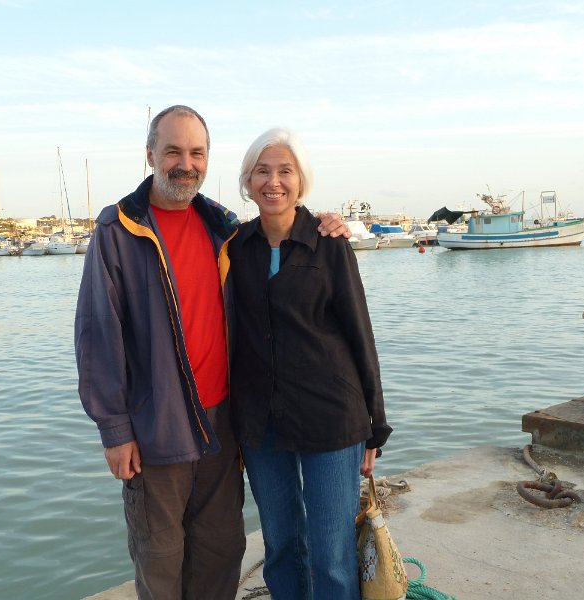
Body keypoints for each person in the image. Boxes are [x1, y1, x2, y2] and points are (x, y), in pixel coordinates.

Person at [74, 106, 349, 600]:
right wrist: (115, 431)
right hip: (157, 429)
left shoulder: (224, 229)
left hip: (223, 428)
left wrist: (327, 222)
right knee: (161, 562)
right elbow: (98, 336)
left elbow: (282, 238)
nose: (186, 164)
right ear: (150, 154)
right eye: (173, 151)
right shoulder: (118, 232)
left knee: (220, 555)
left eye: (196, 153)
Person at [228, 127, 393, 600]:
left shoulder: (329, 242)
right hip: (262, 422)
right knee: (281, 545)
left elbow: (360, 333)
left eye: (286, 171)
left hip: (332, 418)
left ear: (301, 180)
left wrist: (375, 426)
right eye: (262, 171)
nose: (273, 181)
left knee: (331, 552)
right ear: (247, 180)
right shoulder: (234, 247)